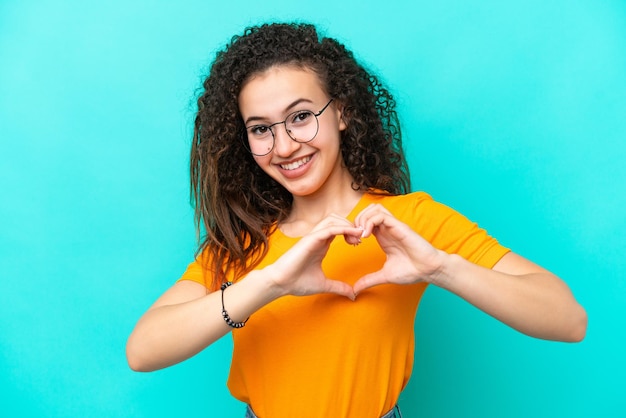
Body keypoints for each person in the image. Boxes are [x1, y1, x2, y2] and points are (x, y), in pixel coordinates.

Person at [126, 22, 587, 418]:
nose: (284, 147)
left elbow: (568, 320)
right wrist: (269, 284)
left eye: (301, 117)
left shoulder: (407, 223)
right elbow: (143, 350)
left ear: (342, 112)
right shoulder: (243, 240)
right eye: (261, 128)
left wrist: (440, 268)